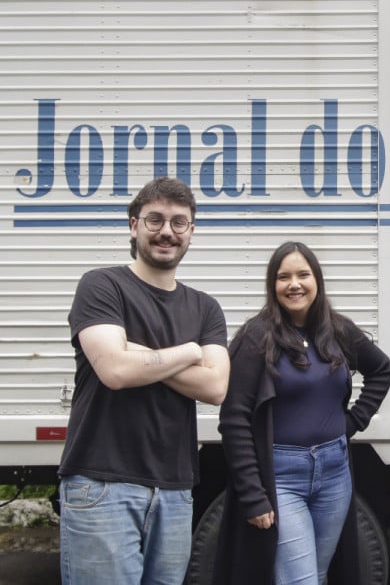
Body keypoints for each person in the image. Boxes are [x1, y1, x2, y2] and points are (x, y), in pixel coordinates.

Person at [58, 177, 230, 585]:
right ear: (133, 225)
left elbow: (216, 388)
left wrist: (137, 355)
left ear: (191, 232)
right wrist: (189, 352)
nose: (166, 231)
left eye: (178, 222)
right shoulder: (102, 285)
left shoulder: (205, 308)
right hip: (102, 485)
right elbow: (116, 372)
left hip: (175, 490)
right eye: (155, 220)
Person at [212, 241, 390, 585]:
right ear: (273, 285)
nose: (294, 284)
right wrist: (253, 495)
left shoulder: (337, 331)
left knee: (319, 574)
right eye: (284, 277)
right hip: (281, 477)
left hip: (334, 473)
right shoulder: (257, 337)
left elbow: (381, 370)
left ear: (317, 280)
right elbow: (234, 421)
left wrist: (351, 422)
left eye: (302, 275)